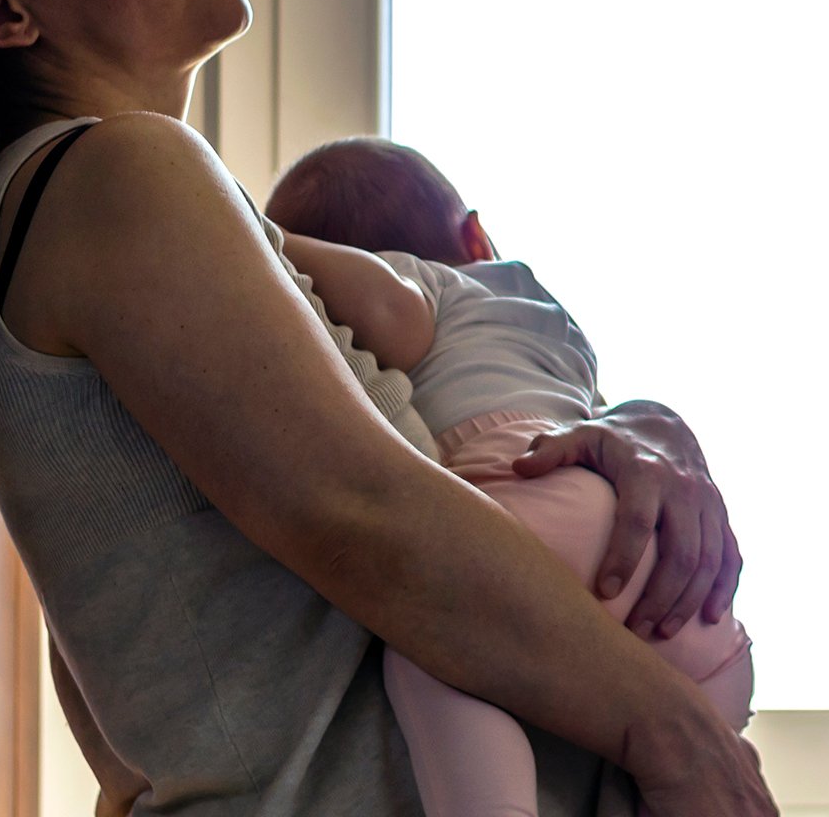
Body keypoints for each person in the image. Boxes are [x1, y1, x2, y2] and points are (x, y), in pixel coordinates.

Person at [0, 0, 776, 816]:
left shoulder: (81, 219)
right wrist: (671, 725)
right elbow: (367, 511)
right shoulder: (113, 173)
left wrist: (612, 430)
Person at [265, 137, 756, 817]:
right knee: (626, 773)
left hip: (520, 508)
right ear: (476, 234)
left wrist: (267, 243)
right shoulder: (547, 316)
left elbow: (388, 319)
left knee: (434, 643)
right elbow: (599, 416)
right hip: (662, 578)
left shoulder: (422, 282)